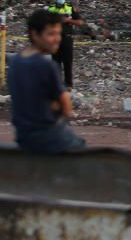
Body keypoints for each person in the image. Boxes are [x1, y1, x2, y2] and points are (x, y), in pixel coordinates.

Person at [8, 9, 85, 154]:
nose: (57, 39)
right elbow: (67, 108)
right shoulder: (47, 65)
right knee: (81, 148)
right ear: (35, 34)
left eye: (58, 33)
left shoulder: (16, 61)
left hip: (22, 136)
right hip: (48, 136)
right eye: (51, 34)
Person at [47, 0, 85, 89]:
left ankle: (68, 84)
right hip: (54, 39)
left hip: (67, 38)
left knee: (67, 62)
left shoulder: (70, 8)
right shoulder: (51, 9)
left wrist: (68, 20)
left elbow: (80, 22)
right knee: (55, 62)